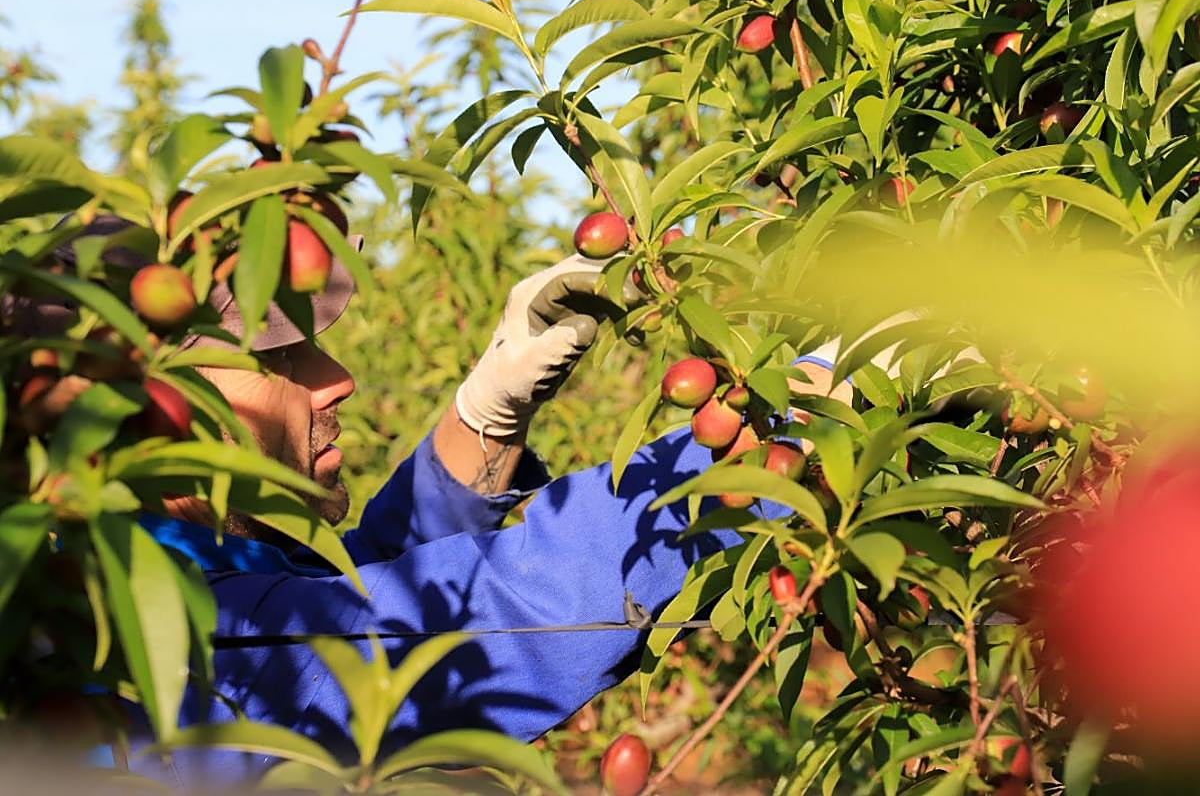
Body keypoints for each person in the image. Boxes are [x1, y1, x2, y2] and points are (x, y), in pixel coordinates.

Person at [7, 218, 844, 789]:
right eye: (285, 357)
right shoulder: (162, 639)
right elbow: (453, 624)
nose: (338, 378)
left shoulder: (170, 570)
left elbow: (352, 598)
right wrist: (803, 414)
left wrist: (484, 420)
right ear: (157, 410)